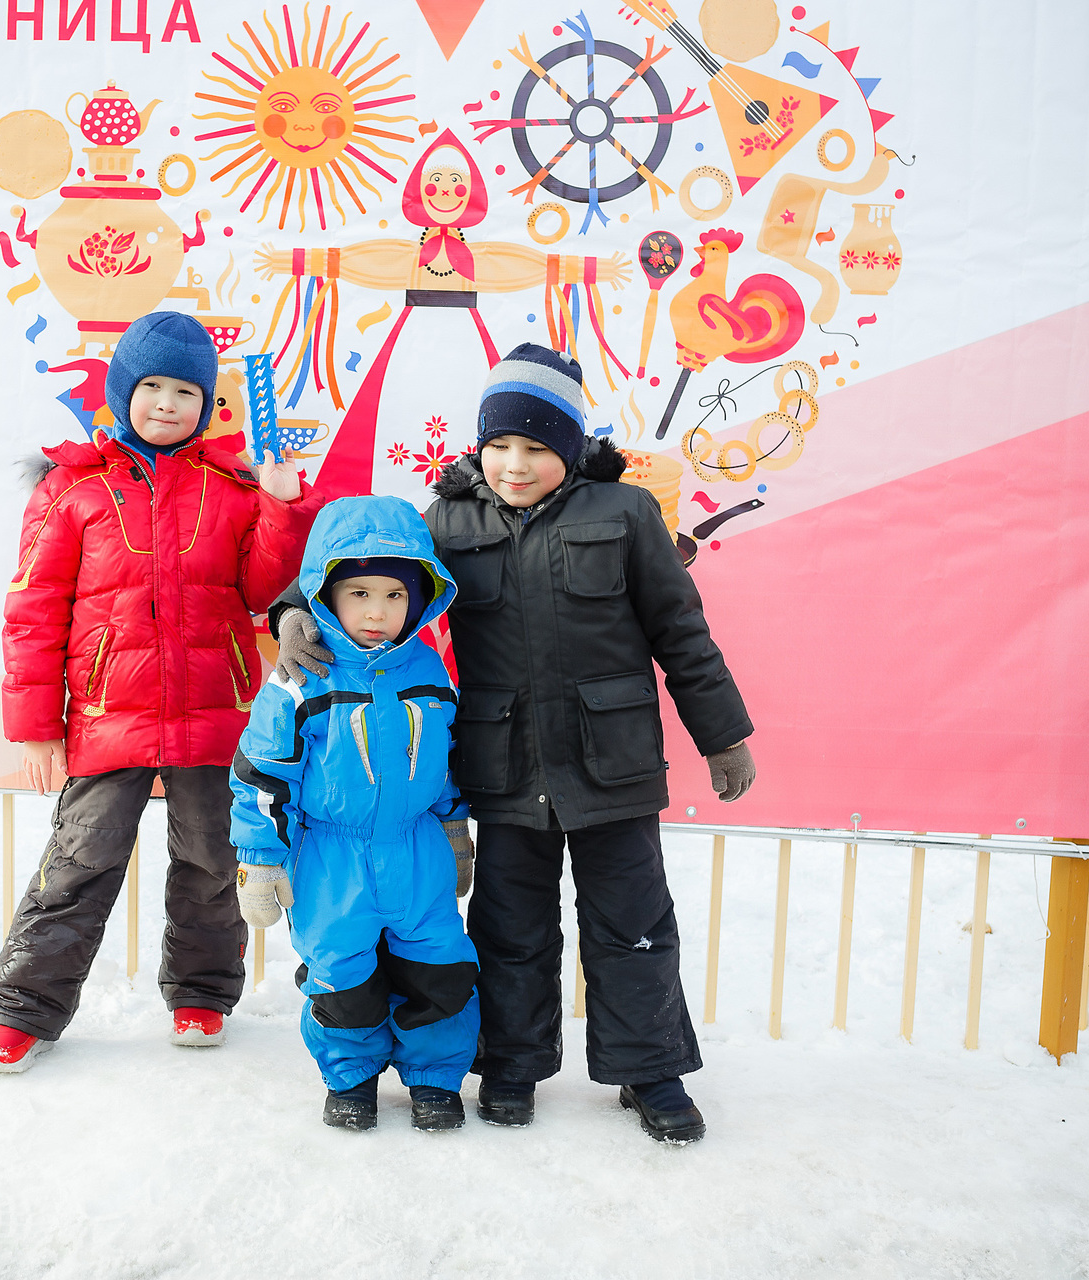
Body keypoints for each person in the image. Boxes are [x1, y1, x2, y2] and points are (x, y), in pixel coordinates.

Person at [269, 344, 756, 1144]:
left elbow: (681, 629)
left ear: (570, 446)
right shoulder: (448, 520)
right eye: (498, 444)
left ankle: (650, 1070)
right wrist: (294, 608)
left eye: (535, 446)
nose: (514, 464)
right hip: (502, 764)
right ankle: (512, 1063)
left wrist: (723, 733)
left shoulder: (626, 513)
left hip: (612, 760)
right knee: (510, 927)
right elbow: (360, 555)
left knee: (631, 922)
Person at [0, 310, 325, 1073]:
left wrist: (280, 505)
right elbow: (33, 611)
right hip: (108, 717)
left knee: (212, 863)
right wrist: (36, 726)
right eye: (152, 387)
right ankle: (23, 1012)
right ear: (122, 392)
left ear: (205, 403)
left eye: (185, 392)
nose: (167, 404)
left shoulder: (230, 487)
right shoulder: (75, 489)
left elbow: (264, 589)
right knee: (77, 866)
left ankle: (201, 993)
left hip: (213, 715)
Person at [230, 495, 478, 1133]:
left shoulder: (428, 669)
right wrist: (260, 860)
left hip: (417, 850)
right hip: (331, 858)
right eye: (359, 593)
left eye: (395, 596)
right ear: (325, 594)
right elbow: (263, 775)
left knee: (441, 967)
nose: (377, 612)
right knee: (341, 972)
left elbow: (446, 759)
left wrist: (454, 828)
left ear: (420, 598)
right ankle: (351, 1076)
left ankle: (434, 1077)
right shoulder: (301, 679)